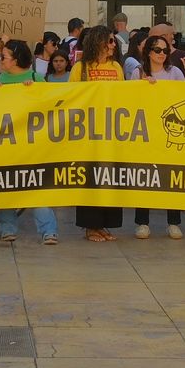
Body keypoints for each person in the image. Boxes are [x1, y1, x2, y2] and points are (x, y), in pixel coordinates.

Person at [0, 40, 55, 244]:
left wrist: (34, 92)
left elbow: (49, 105)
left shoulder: (37, 78)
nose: (0, 60)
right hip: (6, 144)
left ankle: (49, 230)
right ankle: (7, 228)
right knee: (6, 185)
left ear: (16, 60)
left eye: (4, 57)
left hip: (31, 145)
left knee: (36, 187)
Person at [69, 25, 126, 240]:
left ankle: (104, 224)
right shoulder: (80, 69)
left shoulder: (116, 68)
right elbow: (71, 97)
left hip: (111, 132)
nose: (113, 45)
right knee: (90, 179)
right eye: (110, 41)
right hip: (88, 134)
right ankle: (90, 226)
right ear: (99, 43)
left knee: (109, 178)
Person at [133, 35, 185, 239]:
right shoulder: (137, 72)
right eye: (157, 50)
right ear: (148, 52)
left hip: (170, 130)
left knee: (171, 176)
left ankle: (173, 221)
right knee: (144, 176)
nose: (162, 54)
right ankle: (142, 222)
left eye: (165, 50)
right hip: (145, 129)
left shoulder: (174, 72)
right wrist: (143, 86)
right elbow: (130, 99)